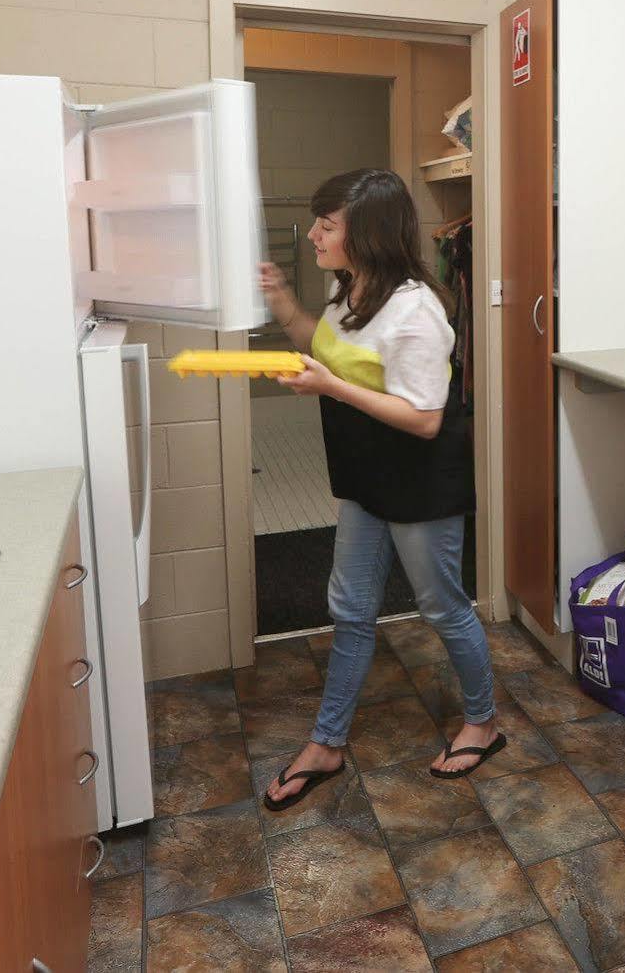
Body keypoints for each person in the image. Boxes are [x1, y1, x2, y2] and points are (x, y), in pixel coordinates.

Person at [256, 168, 498, 810]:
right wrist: (281, 300)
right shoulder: (349, 291)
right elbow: (325, 346)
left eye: (326, 225)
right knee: (351, 608)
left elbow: (424, 418)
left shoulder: (415, 312)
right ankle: (327, 743)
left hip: (419, 482)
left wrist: (329, 388)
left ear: (365, 235)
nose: (312, 234)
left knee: (443, 606)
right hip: (366, 476)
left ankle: (484, 723)